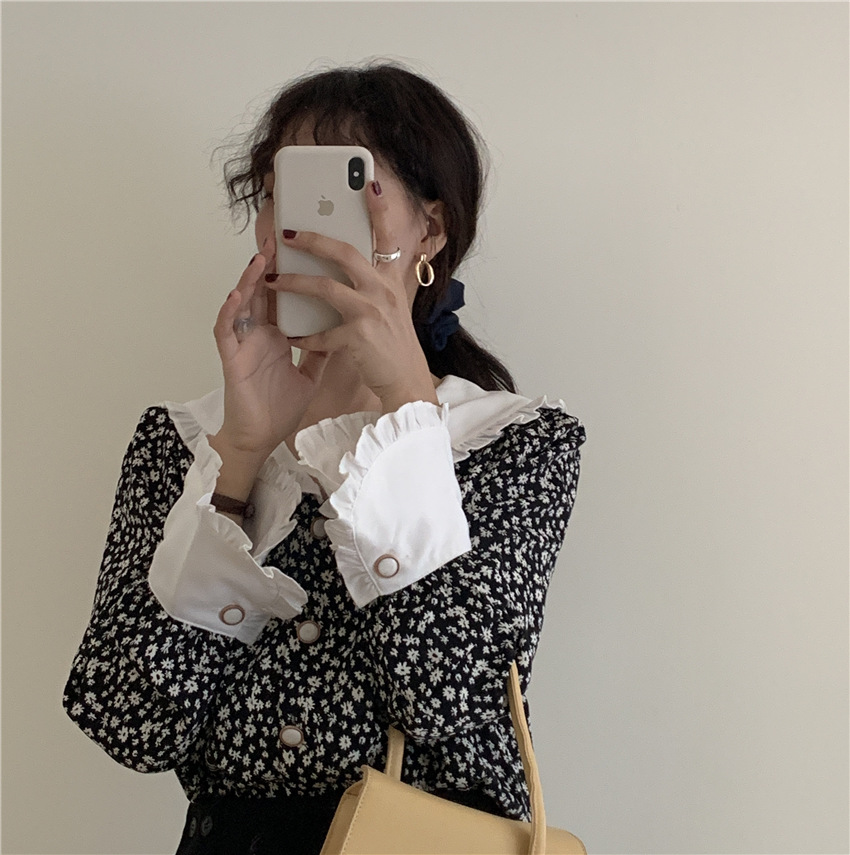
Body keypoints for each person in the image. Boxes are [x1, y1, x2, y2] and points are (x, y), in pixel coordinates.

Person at [63, 61, 586, 855]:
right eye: (279, 194)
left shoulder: (511, 441)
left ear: (431, 230)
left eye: (343, 193)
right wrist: (240, 459)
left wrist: (406, 408)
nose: (297, 228)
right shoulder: (186, 442)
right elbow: (129, 722)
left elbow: (457, 703)